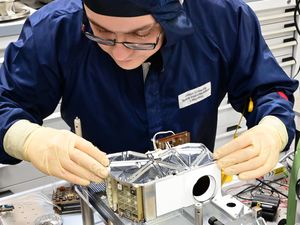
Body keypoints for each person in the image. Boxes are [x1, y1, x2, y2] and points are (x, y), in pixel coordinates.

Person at [0, 0, 298, 186]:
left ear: (175, 17)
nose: (119, 53)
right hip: (103, 192)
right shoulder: (55, 29)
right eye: (100, 32)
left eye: (140, 35)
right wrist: (25, 139)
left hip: (190, 191)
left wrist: (272, 129)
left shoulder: (224, 20)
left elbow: (269, 89)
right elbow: (5, 103)